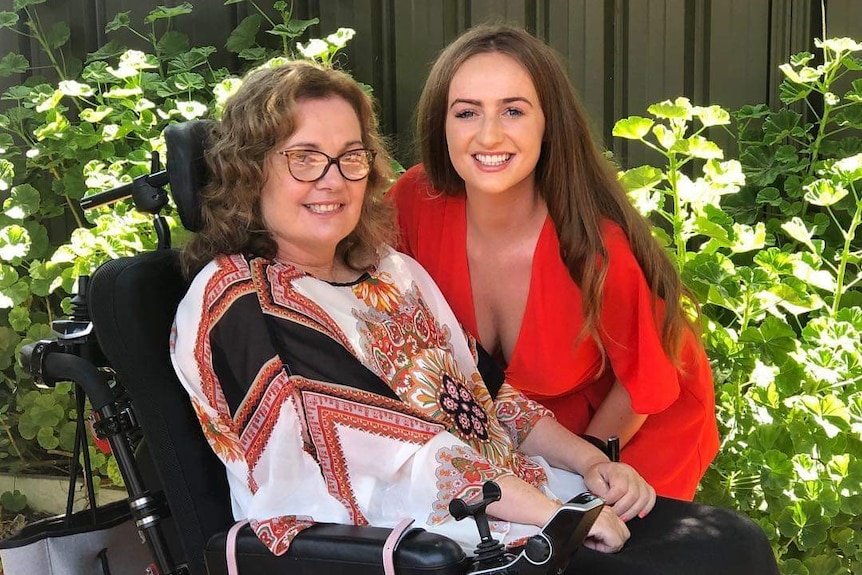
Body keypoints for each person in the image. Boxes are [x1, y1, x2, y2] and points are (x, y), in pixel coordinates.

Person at [170, 60, 779, 575]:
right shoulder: (243, 302)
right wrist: (558, 517)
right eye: (303, 158)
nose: (333, 181)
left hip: (502, 512)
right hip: (401, 545)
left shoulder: (386, 271)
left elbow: (491, 399)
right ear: (250, 170)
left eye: (350, 156)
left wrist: (592, 462)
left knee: (733, 543)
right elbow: (399, 459)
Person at [390, 24, 719, 501]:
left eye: (513, 111)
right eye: (466, 112)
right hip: (500, 436)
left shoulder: (596, 247)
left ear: (549, 123)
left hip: (623, 432)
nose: (489, 134)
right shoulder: (413, 203)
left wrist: (582, 474)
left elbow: (643, 385)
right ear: (441, 125)